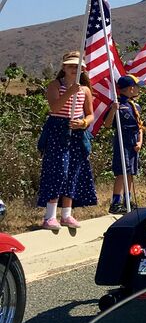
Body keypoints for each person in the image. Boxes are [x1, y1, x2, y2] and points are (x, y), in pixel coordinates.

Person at [37, 51, 96, 231]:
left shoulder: (85, 90)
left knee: (73, 171)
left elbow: (90, 114)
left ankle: (67, 214)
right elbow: (54, 106)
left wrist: (84, 122)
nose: (74, 69)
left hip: (76, 132)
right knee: (57, 171)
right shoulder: (55, 85)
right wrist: (70, 92)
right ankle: (49, 216)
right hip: (57, 131)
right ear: (63, 67)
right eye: (71, 66)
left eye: (77, 67)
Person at [101, 75, 144, 214]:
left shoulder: (136, 106)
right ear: (131, 88)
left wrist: (140, 141)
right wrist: (113, 110)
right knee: (122, 172)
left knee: (131, 172)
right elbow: (107, 124)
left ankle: (127, 200)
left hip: (133, 141)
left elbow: (140, 126)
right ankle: (115, 202)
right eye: (137, 87)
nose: (138, 89)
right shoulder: (118, 104)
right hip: (122, 140)